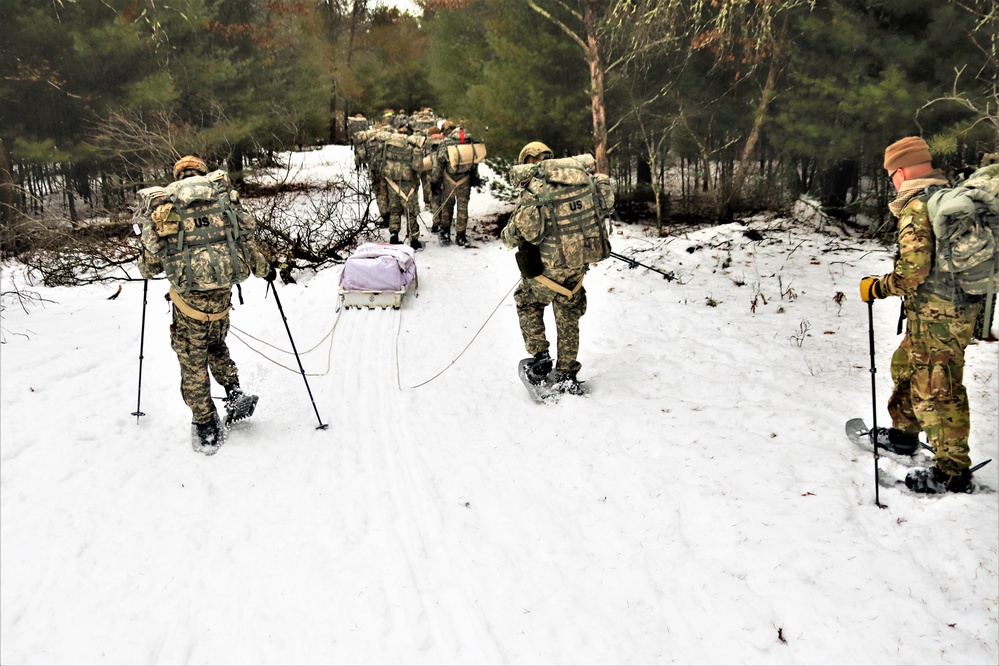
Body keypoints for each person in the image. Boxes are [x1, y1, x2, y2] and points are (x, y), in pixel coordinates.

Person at [859, 136, 984, 493]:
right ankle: (903, 435)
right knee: (907, 366)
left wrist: (879, 287)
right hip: (944, 313)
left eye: (891, 175)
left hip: (938, 317)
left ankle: (953, 473)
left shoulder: (918, 207)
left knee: (938, 391)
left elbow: (913, 270)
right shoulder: (943, 196)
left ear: (900, 171)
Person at [137, 155, 273, 455]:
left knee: (192, 359)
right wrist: (266, 269)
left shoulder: (166, 206)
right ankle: (234, 391)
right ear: (201, 172)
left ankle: (205, 423)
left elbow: (149, 266)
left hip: (188, 301)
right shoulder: (220, 199)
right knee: (216, 345)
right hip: (222, 296)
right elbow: (244, 238)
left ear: (177, 176)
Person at [501, 141, 588, 395]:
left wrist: (508, 233)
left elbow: (515, 236)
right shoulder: (574, 184)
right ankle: (567, 373)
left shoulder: (533, 190)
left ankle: (540, 358)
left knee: (527, 301)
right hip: (575, 271)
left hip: (544, 274)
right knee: (569, 315)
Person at [433, 120, 480, 246]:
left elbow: (438, 164)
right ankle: (460, 235)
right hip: (465, 179)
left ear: (447, 130)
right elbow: (475, 162)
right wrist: (475, 177)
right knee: (462, 208)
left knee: (447, 206)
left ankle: (446, 232)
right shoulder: (470, 142)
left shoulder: (446, 143)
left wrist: (435, 181)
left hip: (449, 178)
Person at [381, 126, 423, 249]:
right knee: (411, 211)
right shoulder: (411, 147)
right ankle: (414, 240)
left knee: (395, 210)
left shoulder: (388, 145)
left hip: (391, 182)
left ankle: (394, 235)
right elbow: (417, 167)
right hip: (408, 184)